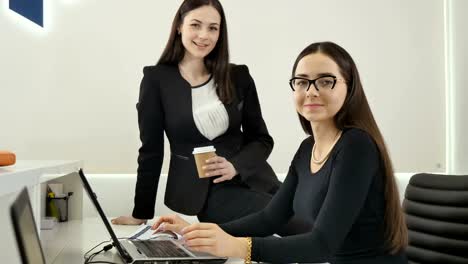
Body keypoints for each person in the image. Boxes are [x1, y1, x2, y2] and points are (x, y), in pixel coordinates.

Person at [151, 42, 409, 264]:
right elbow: (269, 218)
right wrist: (199, 233)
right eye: (302, 82)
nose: (311, 91)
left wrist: (236, 246)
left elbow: (321, 245)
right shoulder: (308, 148)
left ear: (349, 87)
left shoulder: (356, 146)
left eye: (325, 81)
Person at [112, 0, 308, 234]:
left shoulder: (238, 76)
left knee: (314, 215)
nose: (204, 35)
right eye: (196, 25)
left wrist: (235, 166)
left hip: (255, 178)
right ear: (179, 27)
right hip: (208, 194)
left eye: (213, 28)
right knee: (297, 223)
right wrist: (140, 213)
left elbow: (262, 139)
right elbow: (151, 151)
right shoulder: (157, 80)